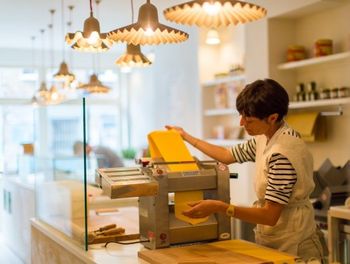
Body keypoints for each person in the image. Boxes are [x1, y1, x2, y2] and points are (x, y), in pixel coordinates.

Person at [166, 79, 326, 262]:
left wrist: (221, 207)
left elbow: (270, 215)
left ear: (272, 117)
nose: (242, 123)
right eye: (241, 116)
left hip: (294, 243)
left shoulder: (282, 154)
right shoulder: (265, 137)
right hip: (276, 238)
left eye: (248, 119)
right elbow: (227, 155)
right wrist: (185, 137)